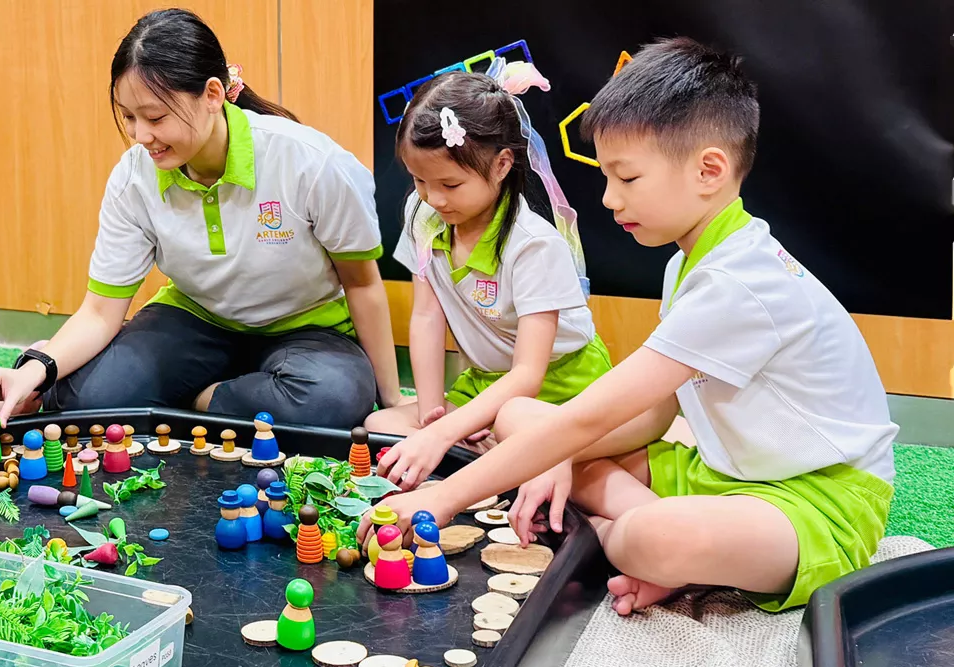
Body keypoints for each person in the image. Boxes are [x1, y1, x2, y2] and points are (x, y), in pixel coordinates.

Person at [359, 38, 896, 616]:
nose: (610, 199)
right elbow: (656, 413)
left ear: (709, 170)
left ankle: (635, 544)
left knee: (649, 537)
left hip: (815, 501)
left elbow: (593, 415)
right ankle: (666, 544)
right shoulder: (689, 261)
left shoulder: (739, 282)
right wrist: (558, 453)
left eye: (627, 178)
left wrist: (444, 497)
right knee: (519, 418)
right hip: (718, 473)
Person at [0, 8, 402, 429]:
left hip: (306, 331)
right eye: (129, 118)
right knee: (90, 400)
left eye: (155, 117)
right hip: (196, 320)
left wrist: (393, 402)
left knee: (334, 399)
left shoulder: (312, 163)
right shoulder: (134, 177)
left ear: (213, 95)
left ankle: (196, 400)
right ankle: (216, 399)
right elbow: (100, 312)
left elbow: (362, 284)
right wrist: (38, 369)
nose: (141, 137)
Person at [370, 66, 611, 489]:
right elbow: (428, 317)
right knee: (381, 424)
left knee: (509, 434)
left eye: (450, 183)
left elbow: (528, 375)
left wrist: (446, 434)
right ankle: (497, 453)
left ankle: (527, 456)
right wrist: (432, 417)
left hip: (558, 386)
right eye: (419, 180)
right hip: (484, 384)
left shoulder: (532, 243)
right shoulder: (422, 214)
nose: (434, 198)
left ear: (501, 165)